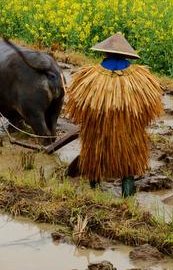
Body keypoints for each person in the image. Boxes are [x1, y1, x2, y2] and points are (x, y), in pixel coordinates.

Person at [65, 32, 163, 197]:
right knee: (128, 165)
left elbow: (78, 108)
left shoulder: (89, 76)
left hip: (97, 134)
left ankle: (94, 192)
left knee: (94, 161)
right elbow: (149, 110)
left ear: (105, 52)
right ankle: (128, 198)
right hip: (128, 135)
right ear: (126, 55)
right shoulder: (141, 79)